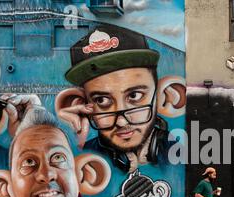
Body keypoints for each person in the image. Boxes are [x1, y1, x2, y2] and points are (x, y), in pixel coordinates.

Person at [55, 24, 186, 173]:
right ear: (81, 106)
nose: (122, 122)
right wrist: (73, 144)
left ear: (166, 97)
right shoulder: (80, 157)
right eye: (102, 101)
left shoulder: (183, 161)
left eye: (134, 96)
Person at [0, 108, 114, 197]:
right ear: (5, 186)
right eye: (29, 161)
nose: (46, 175)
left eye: (58, 157)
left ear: (83, 173)